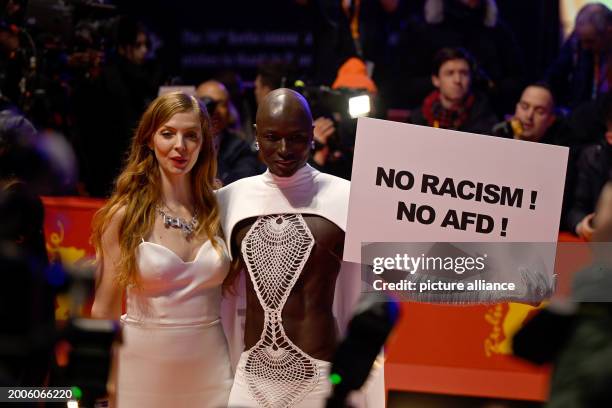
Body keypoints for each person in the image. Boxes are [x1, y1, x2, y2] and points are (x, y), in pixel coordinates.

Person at [217, 88, 383, 407]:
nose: (284, 149)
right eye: (271, 137)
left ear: (311, 135)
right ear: (255, 135)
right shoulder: (229, 199)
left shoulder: (346, 197)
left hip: (318, 381)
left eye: (295, 137)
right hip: (250, 381)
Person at [90, 92, 232, 407]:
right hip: (140, 373)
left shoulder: (220, 206)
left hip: (212, 371)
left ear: (203, 144)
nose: (179, 146)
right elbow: (103, 311)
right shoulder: (124, 215)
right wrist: (108, 382)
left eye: (190, 135)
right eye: (168, 133)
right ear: (149, 140)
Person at [410, 47, 498, 135]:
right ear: (435, 80)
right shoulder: (419, 118)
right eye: (450, 73)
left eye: (464, 73)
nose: (457, 80)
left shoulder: (485, 117)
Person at [545, 3, 612, 109]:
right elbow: (554, 76)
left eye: (590, 41)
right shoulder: (577, 39)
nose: (585, 47)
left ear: (609, 32)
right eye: (582, 41)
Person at [195, 80, 261, 185]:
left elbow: (242, 184)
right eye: (206, 103)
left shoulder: (239, 148)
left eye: (222, 104)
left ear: (229, 110)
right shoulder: (184, 144)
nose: (215, 110)